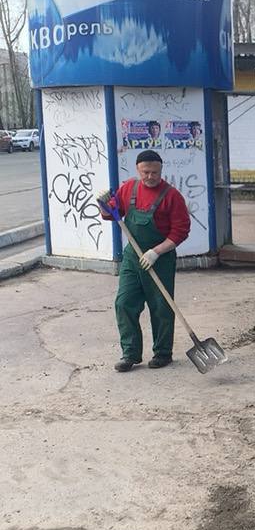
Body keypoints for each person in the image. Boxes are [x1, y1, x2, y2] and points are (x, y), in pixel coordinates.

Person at [99, 150, 191, 372]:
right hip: (133, 256)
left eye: (155, 172)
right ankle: (129, 354)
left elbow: (181, 231)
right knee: (124, 303)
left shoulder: (172, 196)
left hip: (160, 258)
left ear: (161, 170)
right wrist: (103, 205)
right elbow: (113, 214)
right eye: (146, 172)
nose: (150, 176)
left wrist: (156, 252)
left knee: (161, 307)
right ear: (138, 170)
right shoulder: (129, 188)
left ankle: (162, 353)